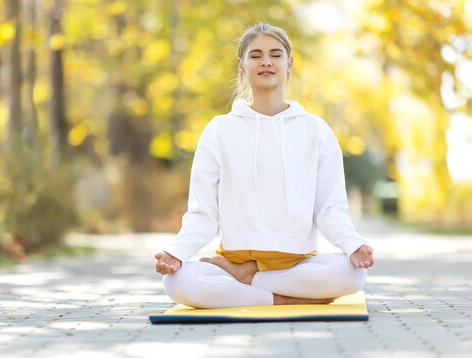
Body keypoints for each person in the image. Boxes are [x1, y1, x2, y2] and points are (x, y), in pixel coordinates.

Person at [154, 23, 374, 309]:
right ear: (242, 66)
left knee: (353, 274)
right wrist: (177, 252)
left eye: (275, 54)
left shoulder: (316, 130)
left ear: (289, 63)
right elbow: (202, 213)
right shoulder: (219, 130)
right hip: (234, 259)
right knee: (177, 281)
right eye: (255, 55)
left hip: (295, 268)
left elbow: (330, 209)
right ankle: (281, 298)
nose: (266, 61)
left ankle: (247, 281)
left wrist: (352, 243)